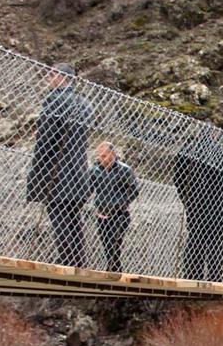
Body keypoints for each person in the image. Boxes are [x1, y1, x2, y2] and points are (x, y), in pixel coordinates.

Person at [27, 63, 94, 267]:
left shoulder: (55, 100)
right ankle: (77, 259)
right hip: (78, 170)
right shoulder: (85, 104)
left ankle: (67, 259)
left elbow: (46, 141)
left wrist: (36, 172)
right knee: (73, 217)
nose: (48, 78)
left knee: (59, 215)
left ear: (61, 76)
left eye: (51, 74)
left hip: (57, 171)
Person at [173, 129, 223, 282]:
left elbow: (177, 177)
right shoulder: (219, 151)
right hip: (218, 204)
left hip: (195, 202)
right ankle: (214, 278)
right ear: (213, 136)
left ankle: (192, 276)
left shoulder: (189, 149)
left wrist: (186, 197)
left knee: (195, 237)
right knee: (216, 240)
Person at [88, 141, 140, 273]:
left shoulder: (124, 170)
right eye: (100, 155)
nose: (102, 158)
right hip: (102, 213)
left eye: (105, 155)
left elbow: (134, 190)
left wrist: (122, 203)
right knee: (106, 243)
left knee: (114, 241)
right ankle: (115, 268)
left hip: (120, 214)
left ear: (113, 154)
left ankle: (113, 269)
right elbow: (88, 188)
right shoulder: (95, 170)